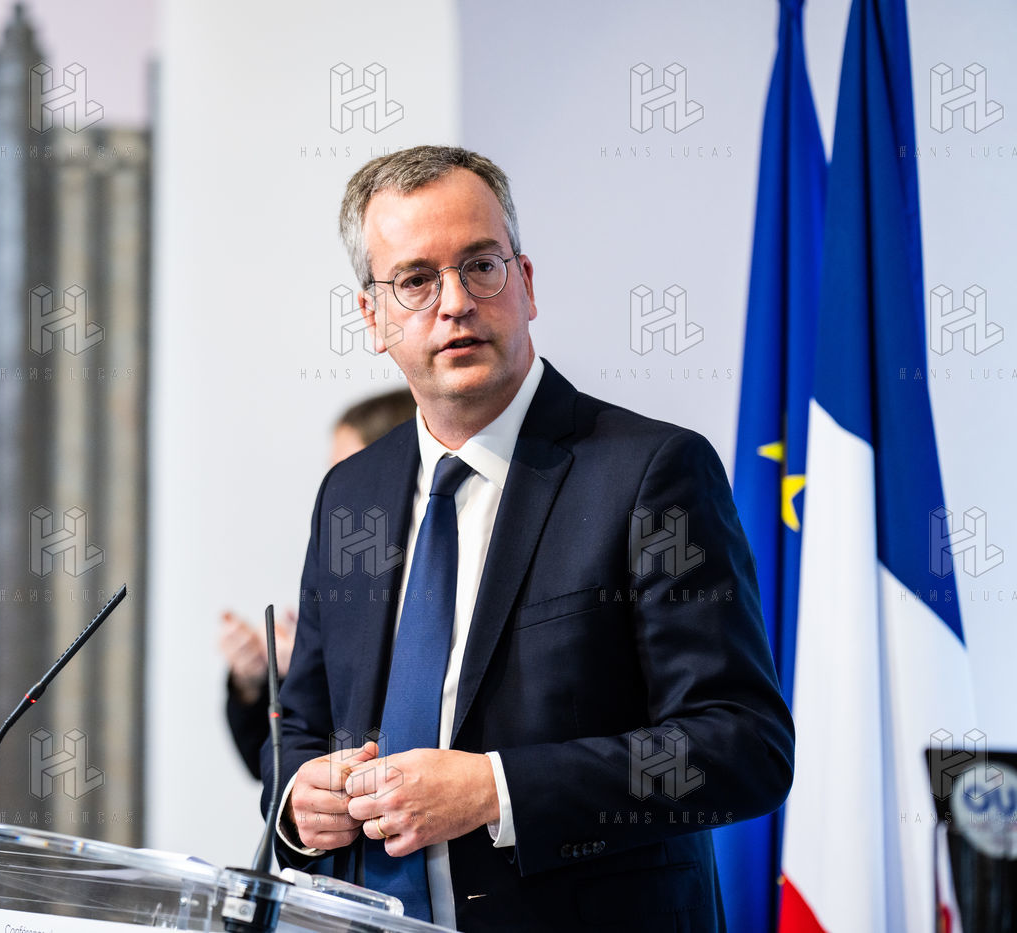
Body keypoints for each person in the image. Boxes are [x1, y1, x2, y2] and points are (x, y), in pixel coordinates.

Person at [262, 146, 794, 932]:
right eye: (416, 280)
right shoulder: (352, 493)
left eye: (481, 266)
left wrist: (496, 789)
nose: (455, 302)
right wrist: (296, 799)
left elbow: (740, 746)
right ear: (373, 318)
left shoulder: (652, 472)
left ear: (527, 284)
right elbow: (303, 725)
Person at [221, 390, 417, 779]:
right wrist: (258, 680)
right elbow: (275, 762)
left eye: (352, 469)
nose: (341, 487)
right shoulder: (341, 567)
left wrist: (329, 664)